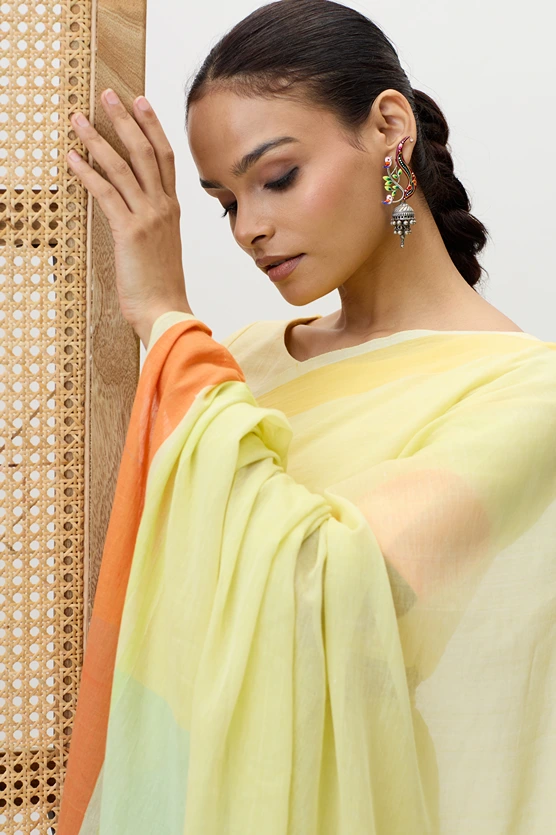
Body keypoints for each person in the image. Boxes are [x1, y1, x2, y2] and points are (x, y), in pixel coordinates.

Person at [58, 1, 556, 833]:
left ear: (389, 129)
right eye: (224, 202)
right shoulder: (241, 365)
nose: (250, 229)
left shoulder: (526, 396)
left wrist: (167, 319)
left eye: (278, 177)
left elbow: (323, 590)